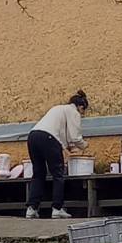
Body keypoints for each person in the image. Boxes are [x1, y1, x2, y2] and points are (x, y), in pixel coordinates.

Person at [25, 90, 89, 219]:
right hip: (49, 138)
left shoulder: (59, 108)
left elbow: (61, 134)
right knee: (58, 174)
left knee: (38, 173)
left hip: (33, 136)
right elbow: (75, 136)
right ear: (81, 107)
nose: (82, 115)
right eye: (83, 112)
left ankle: (32, 208)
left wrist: (68, 147)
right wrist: (85, 146)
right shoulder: (73, 112)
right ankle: (57, 208)